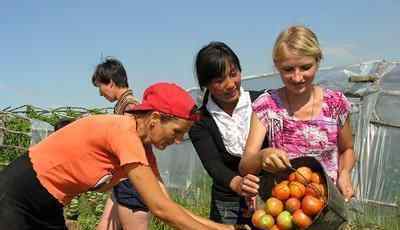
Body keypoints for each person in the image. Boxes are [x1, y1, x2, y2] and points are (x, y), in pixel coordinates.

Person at [0, 82, 249, 230]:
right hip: (16, 196)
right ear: (154, 119)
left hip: (49, 204)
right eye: (175, 132)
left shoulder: (142, 148)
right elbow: (160, 209)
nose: (175, 141)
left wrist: (224, 227)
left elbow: (167, 203)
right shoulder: (123, 132)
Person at [239, 25, 356, 200]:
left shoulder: (336, 104)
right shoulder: (267, 106)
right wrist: (262, 156)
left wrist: (345, 173)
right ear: (277, 66)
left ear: (318, 61)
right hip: (285, 205)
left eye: (305, 67)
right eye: (288, 69)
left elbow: (347, 149)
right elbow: (245, 166)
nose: (297, 77)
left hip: (330, 202)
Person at [189, 42, 267, 225]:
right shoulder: (200, 121)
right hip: (228, 203)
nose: (230, 84)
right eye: (219, 80)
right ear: (206, 84)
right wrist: (238, 184)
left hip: (269, 196)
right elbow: (214, 165)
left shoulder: (262, 103)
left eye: (234, 74)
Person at [91, 57, 150, 230]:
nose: (100, 93)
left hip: (131, 179)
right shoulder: (123, 106)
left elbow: (130, 145)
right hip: (124, 177)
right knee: (104, 227)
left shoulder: (130, 108)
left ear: (110, 83)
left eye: (100, 87)